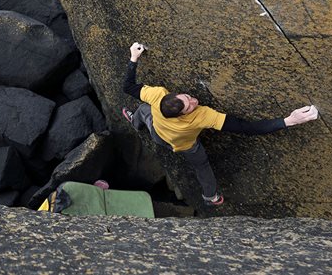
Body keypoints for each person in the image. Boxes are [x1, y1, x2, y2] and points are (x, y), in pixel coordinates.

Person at [121, 42, 319, 206]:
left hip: (158, 131)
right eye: (189, 106)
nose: (194, 101)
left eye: (188, 97)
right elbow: (245, 128)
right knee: (202, 165)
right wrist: (289, 120)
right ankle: (211, 197)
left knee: (143, 111)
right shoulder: (203, 116)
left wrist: (133, 57)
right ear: (183, 115)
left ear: (169, 94)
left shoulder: (156, 97)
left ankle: (135, 122)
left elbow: (128, 86)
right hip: (185, 145)